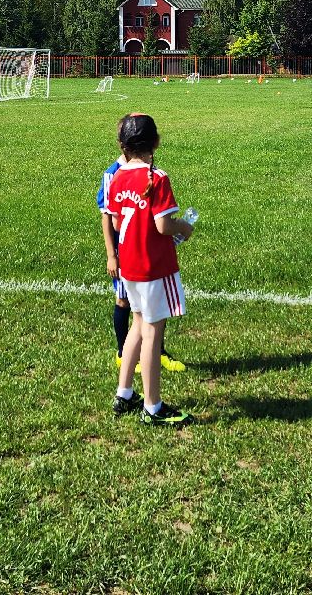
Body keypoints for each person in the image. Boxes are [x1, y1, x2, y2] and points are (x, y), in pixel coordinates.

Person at [106, 113, 196, 426]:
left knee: (137, 325)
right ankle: (153, 406)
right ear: (156, 142)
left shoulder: (117, 178)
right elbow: (162, 225)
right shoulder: (155, 178)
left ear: (123, 145)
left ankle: (124, 392)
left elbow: (117, 222)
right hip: (152, 266)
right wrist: (184, 227)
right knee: (152, 335)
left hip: (129, 265)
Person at [97, 122, 183, 374]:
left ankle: (154, 355)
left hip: (145, 254)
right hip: (131, 256)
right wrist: (111, 255)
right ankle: (125, 356)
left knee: (149, 313)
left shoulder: (148, 175)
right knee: (129, 305)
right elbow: (109, 217)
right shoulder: (115, 174)